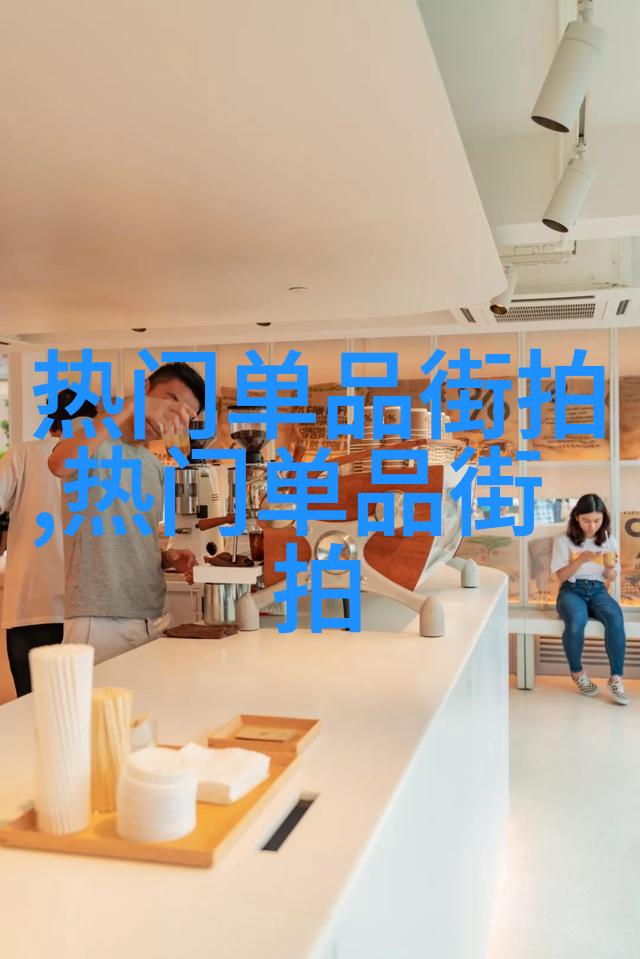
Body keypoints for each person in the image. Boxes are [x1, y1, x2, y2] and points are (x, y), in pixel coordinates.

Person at [48, 362, 206, 665]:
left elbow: (139, 539)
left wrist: (168, 558)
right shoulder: (93, 437)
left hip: (153, 617)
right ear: (145, 388)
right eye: (170, 401)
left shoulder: (154, 466)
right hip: (100, 620)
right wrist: (132, 406)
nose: (170, 416)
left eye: (184, 414)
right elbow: (59, 464)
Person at [0, 389, 97, 696]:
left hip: (31, 604)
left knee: (31, 704)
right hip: (90, 609)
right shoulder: (102, 459)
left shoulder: (23, 454)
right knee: (82, 704)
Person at [550, 493, 628, 705]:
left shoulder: (609, 541)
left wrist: (610, 570)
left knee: (615, 618)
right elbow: (561, 576)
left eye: (597, 520)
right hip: (571, 590)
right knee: (577, 621)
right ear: (576, 517)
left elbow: (612, 577)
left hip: (598, 590)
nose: (592, 526)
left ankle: (616, 678)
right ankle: (577, 673)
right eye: (586, 520)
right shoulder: (563, 540)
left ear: (604, 519)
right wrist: (581, 560)